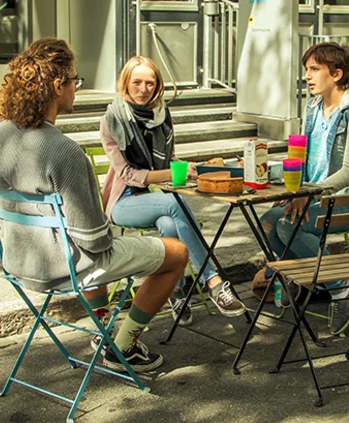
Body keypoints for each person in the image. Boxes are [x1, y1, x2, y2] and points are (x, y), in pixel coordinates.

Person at [0, 38, 187, 372]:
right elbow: (94, 241)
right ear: (59, 86)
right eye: (75, 80)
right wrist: (115, 236)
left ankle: (103, 330)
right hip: (67, 268)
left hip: (17, 261)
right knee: (176, 253)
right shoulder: (65, 152)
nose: (77, 87)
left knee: (93, 246)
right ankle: (123, 346)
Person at [99, 56, 247, 325]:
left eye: (150, 83)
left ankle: (175, 291)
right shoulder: (113, 120)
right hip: (123, 202)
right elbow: (129, 175)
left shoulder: (162, 115)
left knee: (169, 223)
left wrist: (192, 169)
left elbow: (169, 162)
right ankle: (212, 279)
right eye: (137, 82)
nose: (143, 89)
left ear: (157, 86)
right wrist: (173, 172)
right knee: (172, 205)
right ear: (125, 83)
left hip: (153, 197)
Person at [260, 42, 349, 336]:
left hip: (347, 202)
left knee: (288, 226)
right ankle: (307, 280)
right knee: (268, 221)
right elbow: (302, 158)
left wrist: (308, 193)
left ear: (336, 74)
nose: (308, 76)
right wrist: (261, 168)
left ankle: (341, 288)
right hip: (312, 199)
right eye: (306, 70)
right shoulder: (312, 108)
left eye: (315, 69)